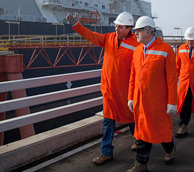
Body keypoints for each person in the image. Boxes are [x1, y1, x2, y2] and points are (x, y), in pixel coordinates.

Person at [66, 12, 139, 165]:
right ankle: (106, 153)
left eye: (120, 27)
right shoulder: (108, 38)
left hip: (126, 92)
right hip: (109, 91)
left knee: (132, 119)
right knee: (107, 122)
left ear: (129, 28)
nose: (116, 29)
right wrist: (76, 25)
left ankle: (139, 142)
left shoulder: (136, 45)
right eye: (116, 26)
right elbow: (91, 35)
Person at [127, 16, 177, 172]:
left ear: (148, 31)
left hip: (158, 102)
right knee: (142, 132)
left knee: (162, 132)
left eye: (138, 31)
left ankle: (169, 148)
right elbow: (133, 77)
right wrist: (130, 97)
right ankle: (141, 163)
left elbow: (171, 79)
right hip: (141, 102)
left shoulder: (165, 50)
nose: (135, 33)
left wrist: (172, 102)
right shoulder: (137, 51)